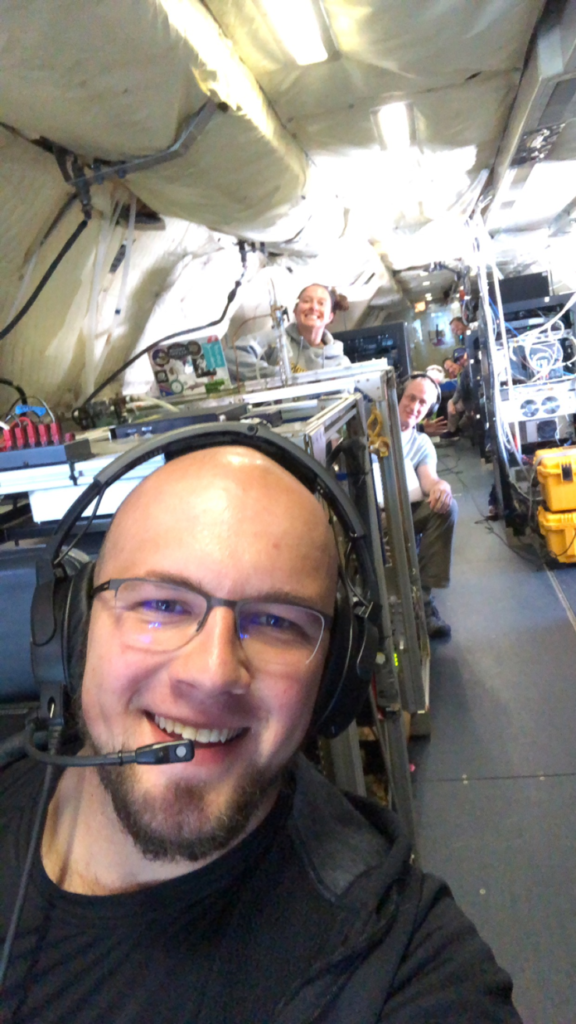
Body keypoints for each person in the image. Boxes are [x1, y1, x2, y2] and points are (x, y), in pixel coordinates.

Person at [0, 442, 521, 1023]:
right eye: (162, 604)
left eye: (276, 622)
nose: (212, 672)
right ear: (72, 630)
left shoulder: (399, 959)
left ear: (336, 675)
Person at [398, 374, 457, 638]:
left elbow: (428, 479)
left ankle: (422, 602)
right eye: (411, 397)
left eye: (423, 403)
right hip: (363, 516)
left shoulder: (421, 443)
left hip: (403, 513)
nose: (415, 406)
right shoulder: (366, 430)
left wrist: (440, 487)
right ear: (398, 396)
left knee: (446, 508)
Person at [228, 283, 350, 380]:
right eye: (306, 301)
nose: (313, 307)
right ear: (295, 311)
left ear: (330, 316)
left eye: (321, 303)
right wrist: (275, 376)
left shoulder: (339, 363)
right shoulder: (276, 338)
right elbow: (232, 356)